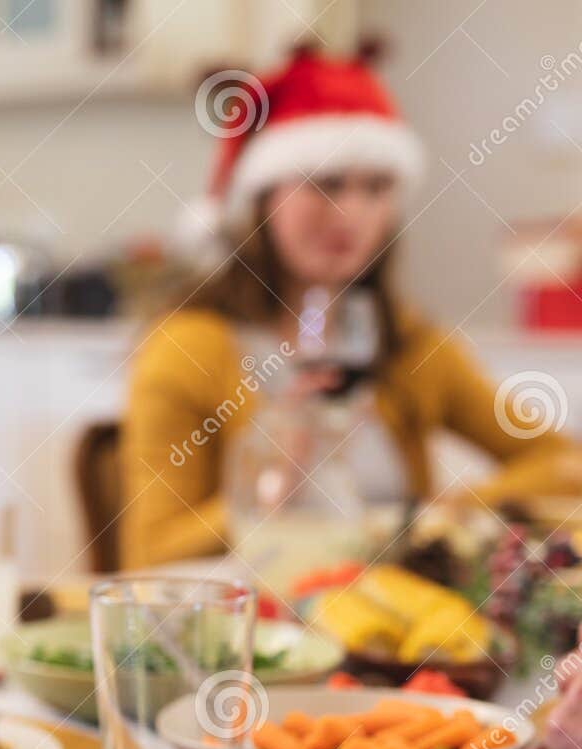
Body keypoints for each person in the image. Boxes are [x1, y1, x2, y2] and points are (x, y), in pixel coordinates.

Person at [120, 47, 582, 570]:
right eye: (326, 183)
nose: (351, 213)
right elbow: (148, 553)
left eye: (376, 188)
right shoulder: (188, 348)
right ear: (260, 199)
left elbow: (562, 460)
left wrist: (443, 511)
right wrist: (266, 482)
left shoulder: (409, 342)